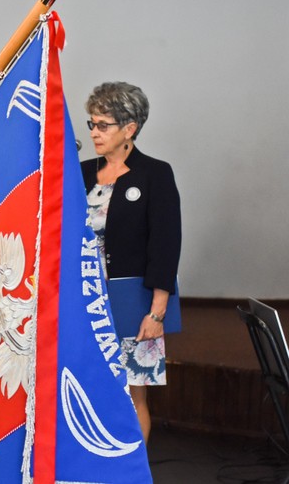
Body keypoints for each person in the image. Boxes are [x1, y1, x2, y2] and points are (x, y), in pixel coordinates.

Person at [80, 81, 181, 443]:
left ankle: (131, 474)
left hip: (134, 303)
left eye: (103, 125)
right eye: (91, 123)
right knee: (87, 389)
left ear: (130, 129)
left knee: (133, 392)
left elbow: (166, 247)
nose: (94, 132)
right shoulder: (80, 173)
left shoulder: (155, 174)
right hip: (84, 300)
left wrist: (156, 314)